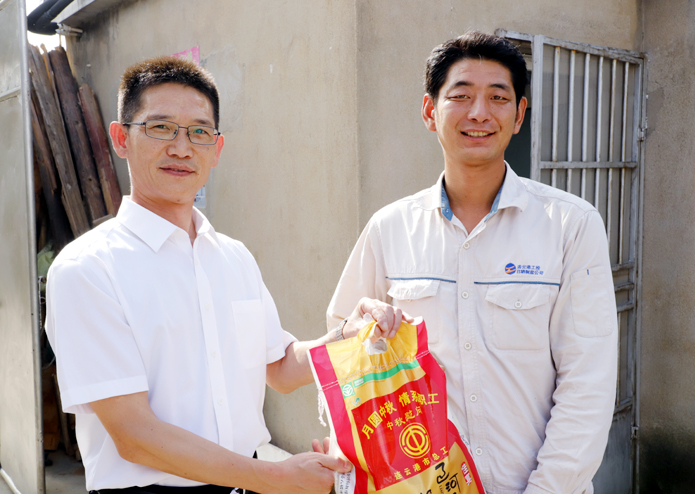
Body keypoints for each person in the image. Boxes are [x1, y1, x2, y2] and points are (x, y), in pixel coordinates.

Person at [45, 56, 406, 494]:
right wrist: (276, 477)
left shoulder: (234, 257)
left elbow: (279, 366)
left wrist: (350, 334)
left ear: (216, 149)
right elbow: (134, 435)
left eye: (199, 132)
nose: (182, 148)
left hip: (246, 483)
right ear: (121, 138)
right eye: (161, 127)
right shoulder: (87, 270)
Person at [327, 31, 618, 494]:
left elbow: (588, 384)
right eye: (461, 95)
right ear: (430, 111)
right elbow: (343, 358)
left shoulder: (570, 225)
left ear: (519, 115)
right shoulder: (390, 228)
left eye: (498, 97)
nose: (479, 113)